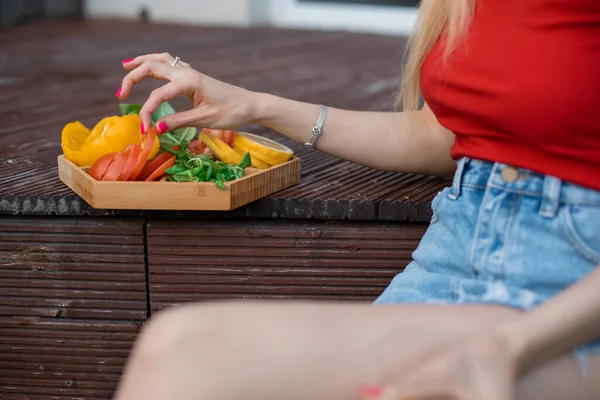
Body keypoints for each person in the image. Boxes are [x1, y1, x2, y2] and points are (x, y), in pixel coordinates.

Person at [113, 0, 600, 399]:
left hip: (571, 296)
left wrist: (509, 348)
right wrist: (257, 106)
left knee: (184, 353)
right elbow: (443, 135)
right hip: (454, 259)